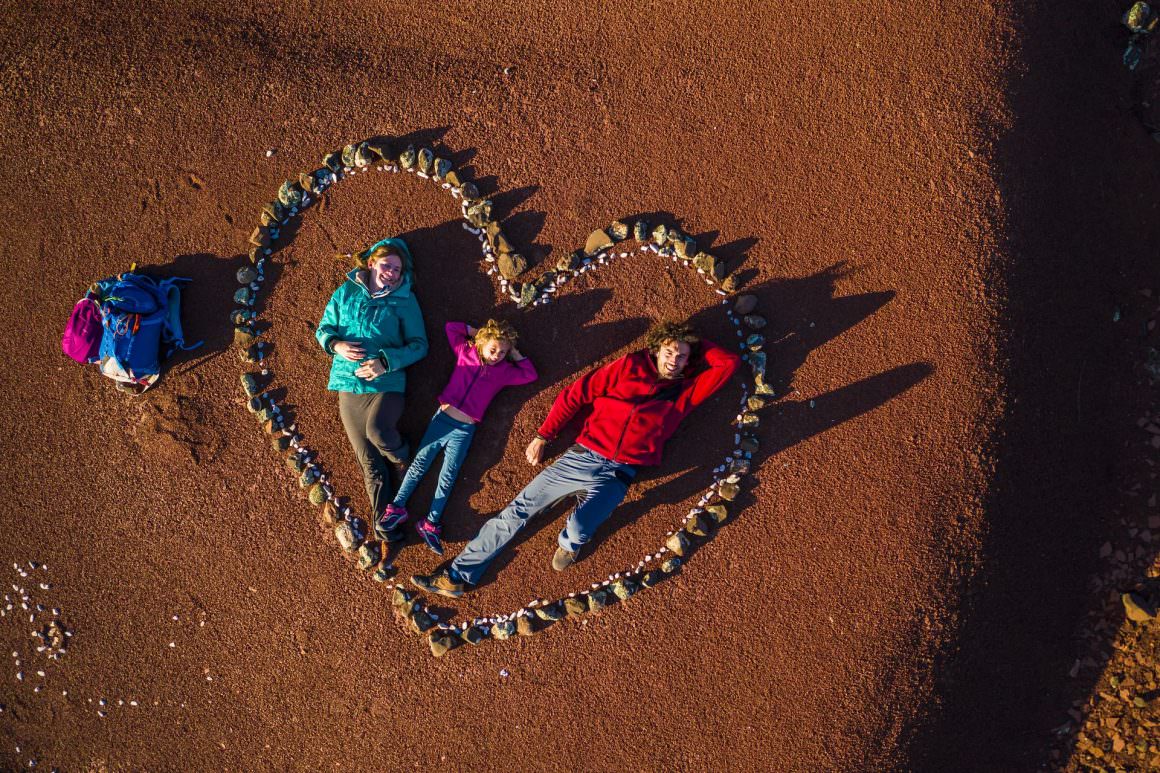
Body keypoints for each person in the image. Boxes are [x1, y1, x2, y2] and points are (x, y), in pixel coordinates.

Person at [411, 320, 741, 598]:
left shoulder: (687, 389)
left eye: (681, 355)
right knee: (516, 511)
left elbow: (728, 363)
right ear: (656, 349)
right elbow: (575, 394)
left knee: (581, 527)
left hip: (621, 471)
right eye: (669, 350)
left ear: (688, 361)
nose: (674, 358)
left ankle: (570, 542)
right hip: (581, 457)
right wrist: (544, 435)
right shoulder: (629, 367)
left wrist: (693, 342)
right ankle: (458, 575)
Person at [375, 319, 538, 554]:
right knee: (420, 464)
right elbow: (451, 327)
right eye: (493, 349)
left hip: (465, 430)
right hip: (441, 420)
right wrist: (477, 333)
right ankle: (397, 508)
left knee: (449, 474)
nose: (497, 355)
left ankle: (430, 522)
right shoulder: (466, 352)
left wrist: (514, 352)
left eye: (502, 352)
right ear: (482, 344)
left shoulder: (503, 372)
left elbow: (529, 374)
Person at [315, 237, 428, 524]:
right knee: (367, 461)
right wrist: (336, 345)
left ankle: (403, 459)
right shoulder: (345, 292)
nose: (392, 273)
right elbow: (324, 329)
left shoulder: (405, 299)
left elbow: (419, 345)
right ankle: (384, 526)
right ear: (371, 264)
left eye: (398, 270)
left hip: (385, 384)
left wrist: (385, 362)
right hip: (348, 382)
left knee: (378, 432)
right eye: (387, 266)